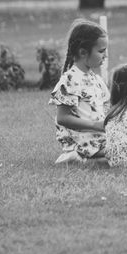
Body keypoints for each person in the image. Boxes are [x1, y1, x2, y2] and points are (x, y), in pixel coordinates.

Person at [49, 19, 109, 164]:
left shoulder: (96, 80)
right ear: (83, 52)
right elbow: (63, 118)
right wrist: (96, 125)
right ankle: (78, 158)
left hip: (100, 138)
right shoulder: (69, 81)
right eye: (101, 51)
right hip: (83, 141)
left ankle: (83, 161)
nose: (105, 56)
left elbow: (107, 106)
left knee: (126, 149)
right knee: (122, 153)